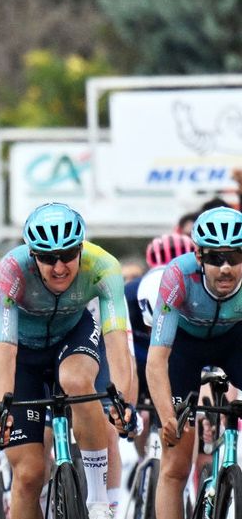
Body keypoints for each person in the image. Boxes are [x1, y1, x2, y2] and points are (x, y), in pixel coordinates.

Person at [0, 202, 135, 519]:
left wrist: (123, 401)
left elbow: (117, 340)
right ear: (32, 255)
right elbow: (4, 351)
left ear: (81, 248)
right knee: (28, 475)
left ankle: (98, 502)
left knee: (77, 381)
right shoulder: (11, 272)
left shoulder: (103, 266)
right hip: (23, 354)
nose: (59, 267)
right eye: (46, 257)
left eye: (68, 255)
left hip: (73, 336)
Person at [146, 207, 242, 519]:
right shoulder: (177, 275)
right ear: (199, 256)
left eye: (235, 257)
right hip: (184, 349)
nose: (226, 268)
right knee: (175, 466)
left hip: (234, 342)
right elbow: (157, 359)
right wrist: (166, 416)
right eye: (215, 258)